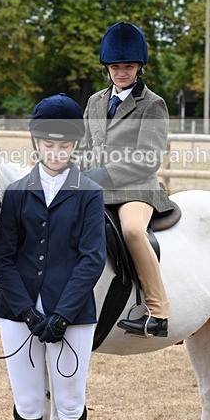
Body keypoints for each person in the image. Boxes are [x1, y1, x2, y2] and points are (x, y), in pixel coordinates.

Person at [0, 94, 106, 420]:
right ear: (36, 143)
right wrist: (26, 311)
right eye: (48, 144)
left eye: (64, 145)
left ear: (74, 146)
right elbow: (3, 258)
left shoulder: (89, 193)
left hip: (71, 316)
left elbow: (92, 259)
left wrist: (60, 315)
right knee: (26, 404)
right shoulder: (17, 192)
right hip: (18, 315)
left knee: (70, 404)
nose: (56, 152)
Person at [82, 21, 172, 338]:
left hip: (136, 188)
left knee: (133, 230)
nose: (122, 73)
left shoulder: (153, 105)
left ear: (139, 67)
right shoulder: (95, 102)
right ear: (107, 67)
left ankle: (158, 313)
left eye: (129, 67)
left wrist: (105, 173)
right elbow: (85, 145)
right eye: (116, 67)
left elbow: (149, 157)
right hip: (95, 186)